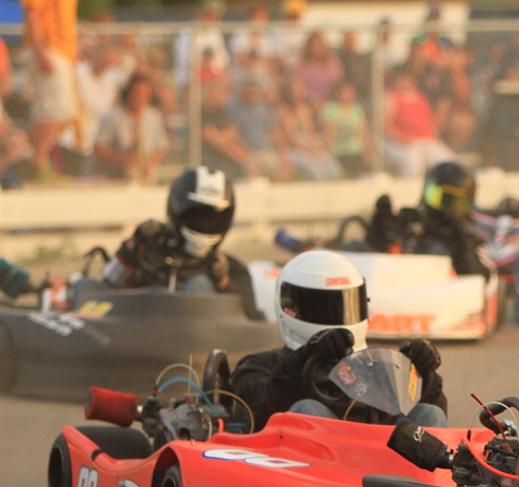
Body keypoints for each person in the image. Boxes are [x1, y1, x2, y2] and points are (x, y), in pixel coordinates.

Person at [229, 250, 448, 431]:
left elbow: (423, 418)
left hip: (383, 461)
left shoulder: (376, 367)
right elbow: (259, 408)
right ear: (289, 308)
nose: (337, 318)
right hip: (320, 464)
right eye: (322, 307)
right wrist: (306, 358)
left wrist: (423, 375)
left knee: (431, 413)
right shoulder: (260, 366)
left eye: (345, 305)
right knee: (307, 410)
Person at [102, 166, 235, 292]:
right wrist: (131, 249)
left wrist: (223, 282)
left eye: (212, 220)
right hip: (142, 308)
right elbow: (105, 288)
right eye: (197, 217)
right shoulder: (148, 249)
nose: (204, 224)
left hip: (198, 307)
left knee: (199, 284)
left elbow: (243, 304)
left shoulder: (227, 269)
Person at [365, 161, 494, 280]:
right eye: (439, 197)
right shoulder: (409, 223)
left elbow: (482, 282)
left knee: (437, 251)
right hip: (396, 288)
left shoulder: (472, 239)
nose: (446, 208)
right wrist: (379, 234)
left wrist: (461, 249)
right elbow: (377, 266)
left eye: (454, 201)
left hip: (443, 294)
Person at [22, 0, 78, 180]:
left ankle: (34, 162)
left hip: (59, 50)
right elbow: (32, 12)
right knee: (57, 109)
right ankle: (36, 164)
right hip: (49, 48)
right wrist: (40, 51)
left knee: (53, 111)